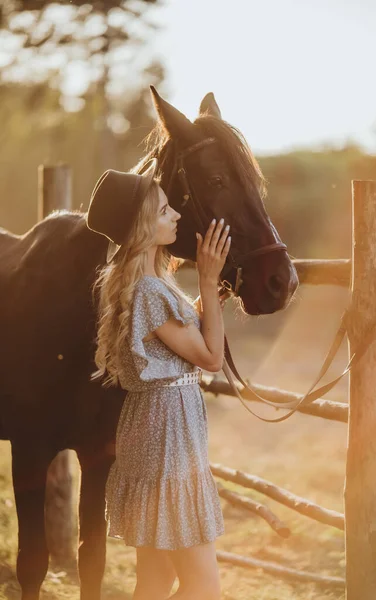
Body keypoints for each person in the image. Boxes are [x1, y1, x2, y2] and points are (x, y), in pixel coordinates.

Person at [86, 157, 231, 600]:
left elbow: (185, 346)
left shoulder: (150, 280)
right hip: (167, 434)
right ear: (142, 224)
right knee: (203, 584)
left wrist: (209, 300)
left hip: (156, 426)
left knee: (155, 580)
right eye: (166, 209)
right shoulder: (150, 290)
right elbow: (210, 359)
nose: (177, 215)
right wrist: (207, 282)